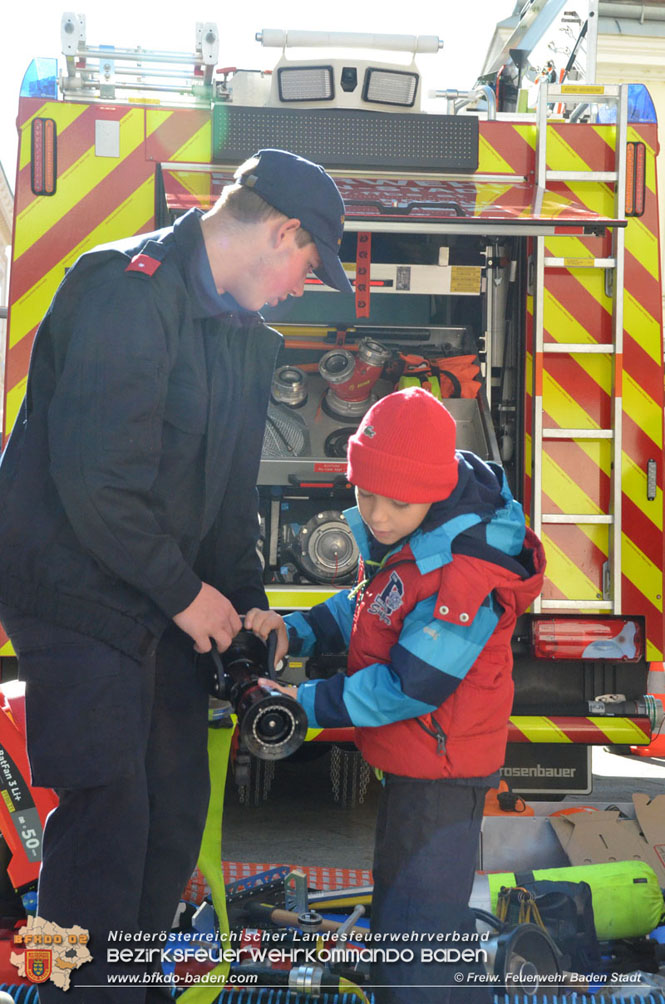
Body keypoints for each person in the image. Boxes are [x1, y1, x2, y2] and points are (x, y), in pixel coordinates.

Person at [0, 147, 352, 1001]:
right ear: (280, 230)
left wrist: (249, 607)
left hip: (153, 605)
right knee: (106, 827)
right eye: (309, 265)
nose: (304, 287)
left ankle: (121, 983)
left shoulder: (241, 339)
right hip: (78, 601)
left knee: (170, 824)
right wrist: (188, 595)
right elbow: (97, 480)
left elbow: (226, 505)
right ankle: (74, 992)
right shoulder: (124, 288)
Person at [247, 387, 546, 1003]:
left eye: (395, 501)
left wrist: (306, 704)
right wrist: (296, 628)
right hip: (416, 766)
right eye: (364, 494)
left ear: (434, 491)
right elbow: (369, 605)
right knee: (401, 924)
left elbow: (413, 688)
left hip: (442, 775)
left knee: (419, 948)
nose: (377, 515)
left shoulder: (465, 570)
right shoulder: (418, 534)